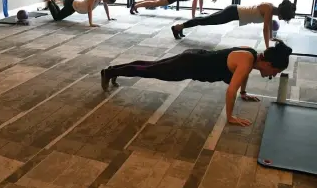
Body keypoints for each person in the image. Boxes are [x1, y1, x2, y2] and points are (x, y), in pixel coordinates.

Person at [100, 40, 293, 127]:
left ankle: (114, 70)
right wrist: (230, 117)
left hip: (193, 58)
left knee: (151, 67)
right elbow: (230, 90)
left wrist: (244, 93)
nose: (272, 76)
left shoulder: (250, 54)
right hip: (188, 65)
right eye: (275, 72)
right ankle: (111, 71)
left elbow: (244, 75)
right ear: (268, 63)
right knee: (151, 70)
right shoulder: (247, 61)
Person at [171, 0, 297, 48]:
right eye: (284, 17)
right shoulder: (269, 9)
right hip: (232, 12)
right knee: (205, 21)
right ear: (281, 13)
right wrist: (268, 47)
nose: (282, 19)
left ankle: (179, 27)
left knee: (205, 20)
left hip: (233, 13)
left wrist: (271, 38)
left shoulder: (271, 11)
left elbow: (268, 28)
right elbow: (265, 29)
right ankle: (177, 27)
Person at [38, 0, 118, 27]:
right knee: (57, 18)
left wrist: (109, 17)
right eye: (108, 1)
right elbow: (89, 8)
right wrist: (91, 23)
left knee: (59, 14)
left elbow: (105, 6)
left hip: (76, 6)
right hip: (73, 5)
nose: (106, 3)